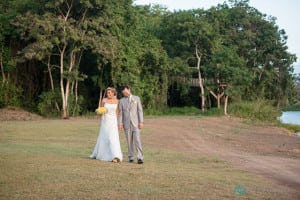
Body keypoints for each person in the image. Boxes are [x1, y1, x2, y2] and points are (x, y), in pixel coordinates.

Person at [90, 87, 123, 163]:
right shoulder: (104, 100)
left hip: (113, 122)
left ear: (113, 93)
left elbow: (117, 113)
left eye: (110, 92)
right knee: (104, 138)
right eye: (107, 93)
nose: (108, 94)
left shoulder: (117, 101)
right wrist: (100, 114)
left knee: (113, 138)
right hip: (105, 121)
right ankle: (102, 154)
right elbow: (101, 110)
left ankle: (116, 156)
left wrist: (118, 123)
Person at [118, 86, 144, 164]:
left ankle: (140, 157)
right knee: (129, 141)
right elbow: (120, 113)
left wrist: (141, 122)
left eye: (126, 92)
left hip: (136, 123)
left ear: (129, 90)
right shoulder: (121, 101)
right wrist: (120, 123)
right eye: (123, 93)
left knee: (137, 140)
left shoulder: (136, 98)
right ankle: (131, 157)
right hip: (126, 123)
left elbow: (140, 111)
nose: (125, 94)